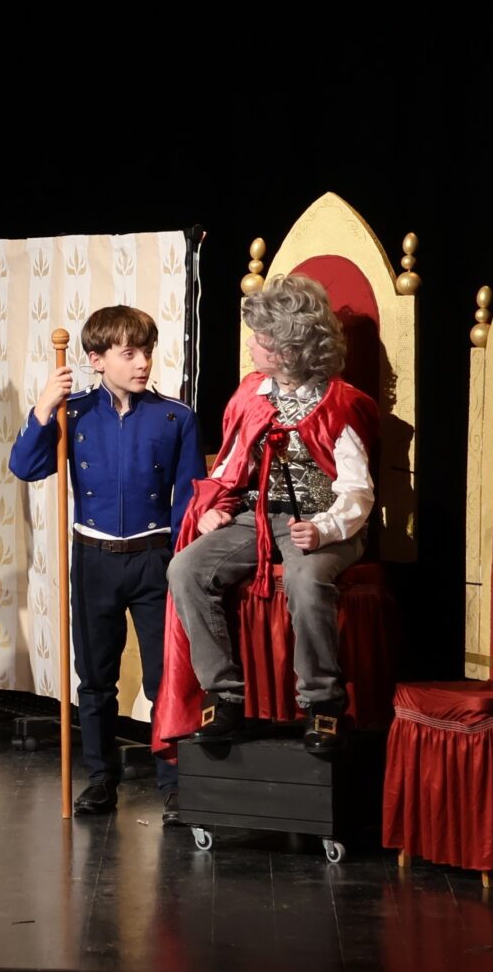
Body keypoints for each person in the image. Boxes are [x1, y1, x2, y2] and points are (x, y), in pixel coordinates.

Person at [165, 274, 377, 757]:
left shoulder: (339, 404)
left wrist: (323, 529)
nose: (252, 346)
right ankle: (224, 695)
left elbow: (357, 491)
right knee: (187, 568)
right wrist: (214, 508)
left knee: (305, 580)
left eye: (261, 339)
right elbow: (230, 465)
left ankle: (322, 702)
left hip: (325, 524)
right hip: (258, 518)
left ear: (288, 349)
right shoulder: (253, 393)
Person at [7, 305, 204, 822]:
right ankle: (100, 779)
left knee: (165, 679)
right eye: (129, 353)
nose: (142, 363)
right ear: (97, 359)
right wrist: (43, 408)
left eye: (146, 352)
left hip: (155, 561)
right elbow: (25, 467)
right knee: (95, 681)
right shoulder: (73, 414)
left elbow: (187, 502)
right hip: (94, 559)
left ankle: (174, 783)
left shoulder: (175, 417)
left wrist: (183, 562)